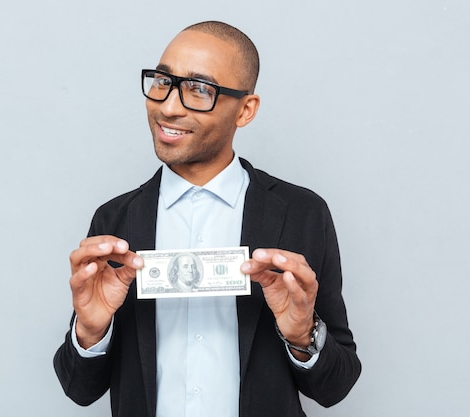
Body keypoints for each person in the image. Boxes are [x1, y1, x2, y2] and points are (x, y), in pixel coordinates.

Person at [54, 20, 361, 417]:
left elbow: (336, 387)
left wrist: (302, 333)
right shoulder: (115, 219)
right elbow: (79, 389)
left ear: (245, 110)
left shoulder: (302, 213)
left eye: (200, 89)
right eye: (162, 80)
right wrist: (90, 332)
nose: (168, 106)